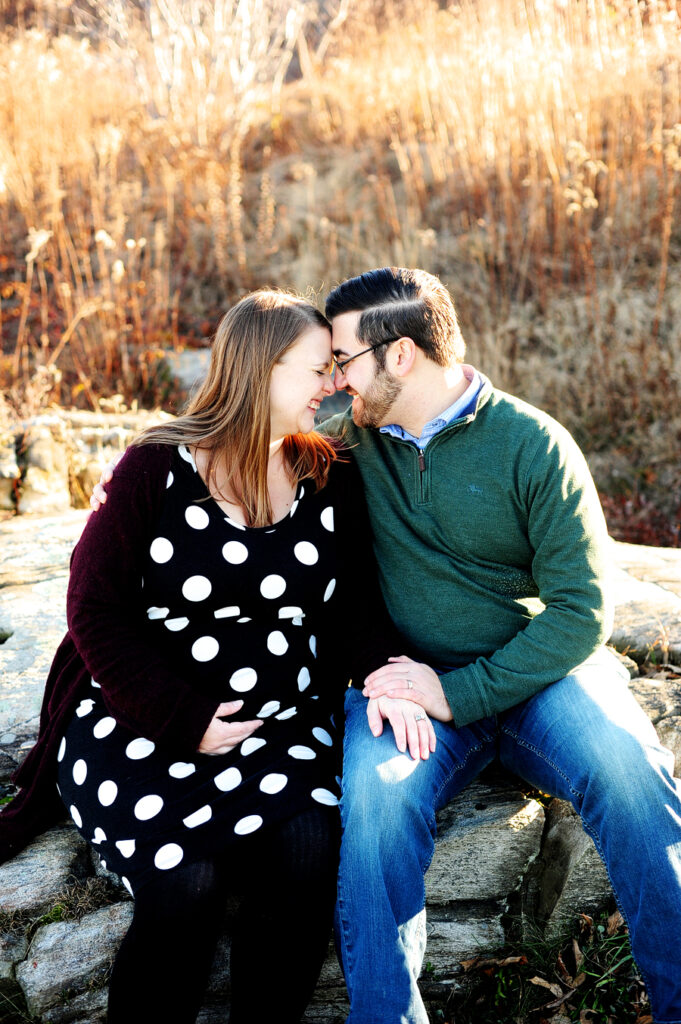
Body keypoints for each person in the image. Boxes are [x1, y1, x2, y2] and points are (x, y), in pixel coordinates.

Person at [0, 289, 434, 1024]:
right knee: (185, 889)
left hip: (281, 727)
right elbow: (93, 611)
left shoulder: (328, 476)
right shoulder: (155, 465)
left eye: (335, 366)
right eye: (315, 368)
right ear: (258, 370)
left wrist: (387, 674)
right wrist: (183, 714)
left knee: (303, 861)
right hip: (137, 723)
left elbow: (353, 610)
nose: (331, 383)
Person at [318, 267, 681, 1024]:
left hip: (538, 676)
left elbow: (581, 612)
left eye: (343, 359)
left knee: (628, 772)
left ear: (400, 355)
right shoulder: (345, 442)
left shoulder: (532, 444)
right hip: (404, 682)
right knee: (378, 810)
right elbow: (236, 465)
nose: (333, 377)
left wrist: (461, 693)